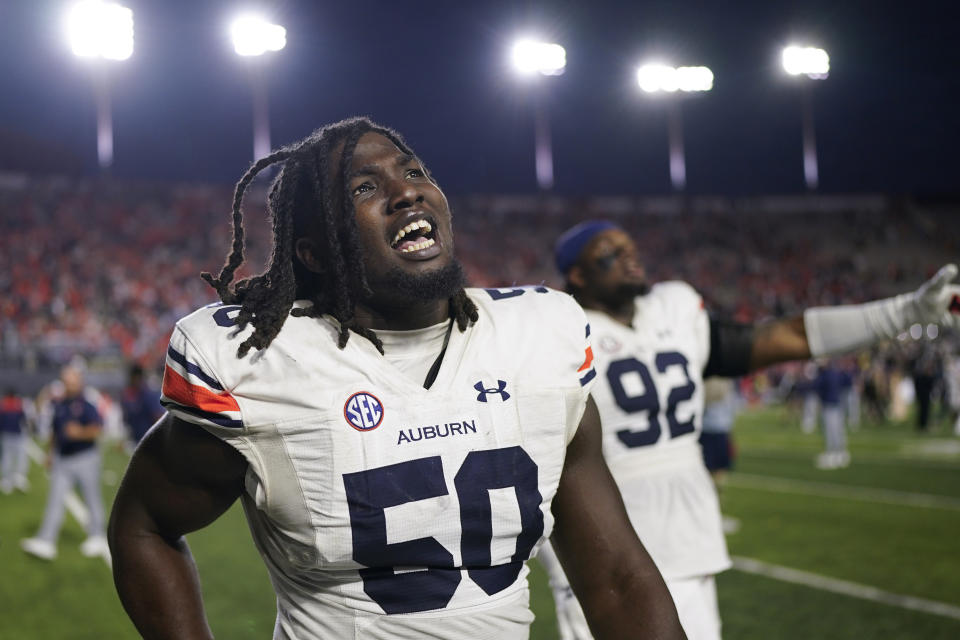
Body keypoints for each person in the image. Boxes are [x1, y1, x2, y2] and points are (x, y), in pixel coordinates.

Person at [108, 118, 685, 640]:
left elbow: (616, 577)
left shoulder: (538, 339)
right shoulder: (264, 362)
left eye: (413, 172)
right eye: (365, 188)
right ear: (313, 250)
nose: (406, 190)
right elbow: (145, 526)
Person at [539, 220, 960, 640]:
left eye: (630, 247)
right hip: (601, 539)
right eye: (609, 254)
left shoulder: (674, 309)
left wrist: (905, 312)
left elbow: (789, 335)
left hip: (689, 532)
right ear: (576, 274)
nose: (628, 257)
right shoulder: (555, 331)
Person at [21, 365, 109, 561]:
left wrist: (80, 432)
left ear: (79, 382)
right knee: (54, 500)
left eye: (72, 381)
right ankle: (46, 541)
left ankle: (97, 536)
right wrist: (50, 453)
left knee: (91, 498)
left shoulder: (87, 404)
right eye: (66, 381)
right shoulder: (58, 405)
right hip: (62, 459)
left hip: (85, 458)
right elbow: (55, 432)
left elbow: (97, 430)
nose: (68, 384)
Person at [813, 359, 853, 469]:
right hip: (837, 404)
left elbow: (816, 387)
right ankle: (841, 453)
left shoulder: (825, 375)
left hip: (829, 406)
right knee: (838, 431)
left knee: (831, 432)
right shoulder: (836, 373)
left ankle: (834, 455)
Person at [119, 363, 162, 449]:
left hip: (148, 438)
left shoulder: (148, 395)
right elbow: (127, 419)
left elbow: (157, 417)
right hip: (136, 438)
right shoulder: (127, 395)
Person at [0, 387, 30, 494]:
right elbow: (24, 419)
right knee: (20, 456)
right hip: (17, 434)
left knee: (7, 457)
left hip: (6, 434)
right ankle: (18, 478)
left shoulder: (3, 404)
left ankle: (7, 479)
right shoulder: (18, 404)